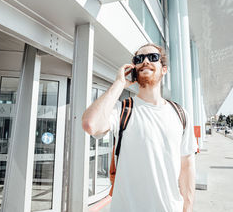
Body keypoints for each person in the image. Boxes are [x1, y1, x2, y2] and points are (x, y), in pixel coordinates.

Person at [82, 43, 197, 212]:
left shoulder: (180, 114)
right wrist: (119, 84)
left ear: (163, 69)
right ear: (134, 70)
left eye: (153, 57)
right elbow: (90, 124)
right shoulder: (122, 110)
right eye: (139, 59)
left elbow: (187, 165)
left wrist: (188, 207)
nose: (145, 61)